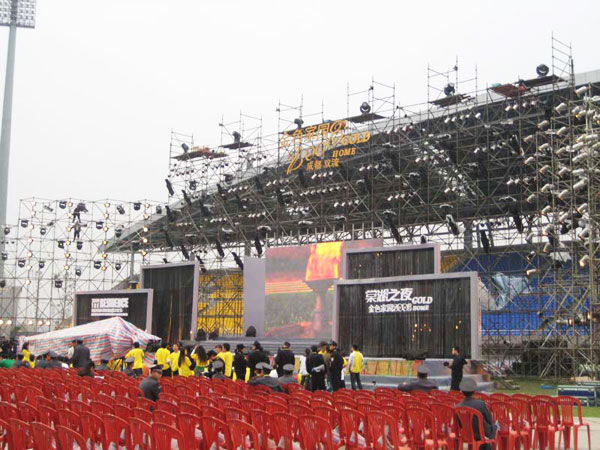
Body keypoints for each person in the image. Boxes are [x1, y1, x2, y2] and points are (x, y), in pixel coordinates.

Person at [458, 378, 497, 449]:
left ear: (461, 392)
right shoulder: (480, 404)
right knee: (496, 426)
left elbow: (459, 424)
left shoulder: (458, 407)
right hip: (482, 434)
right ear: (474, 391)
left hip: (467, 434)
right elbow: (489, 420)